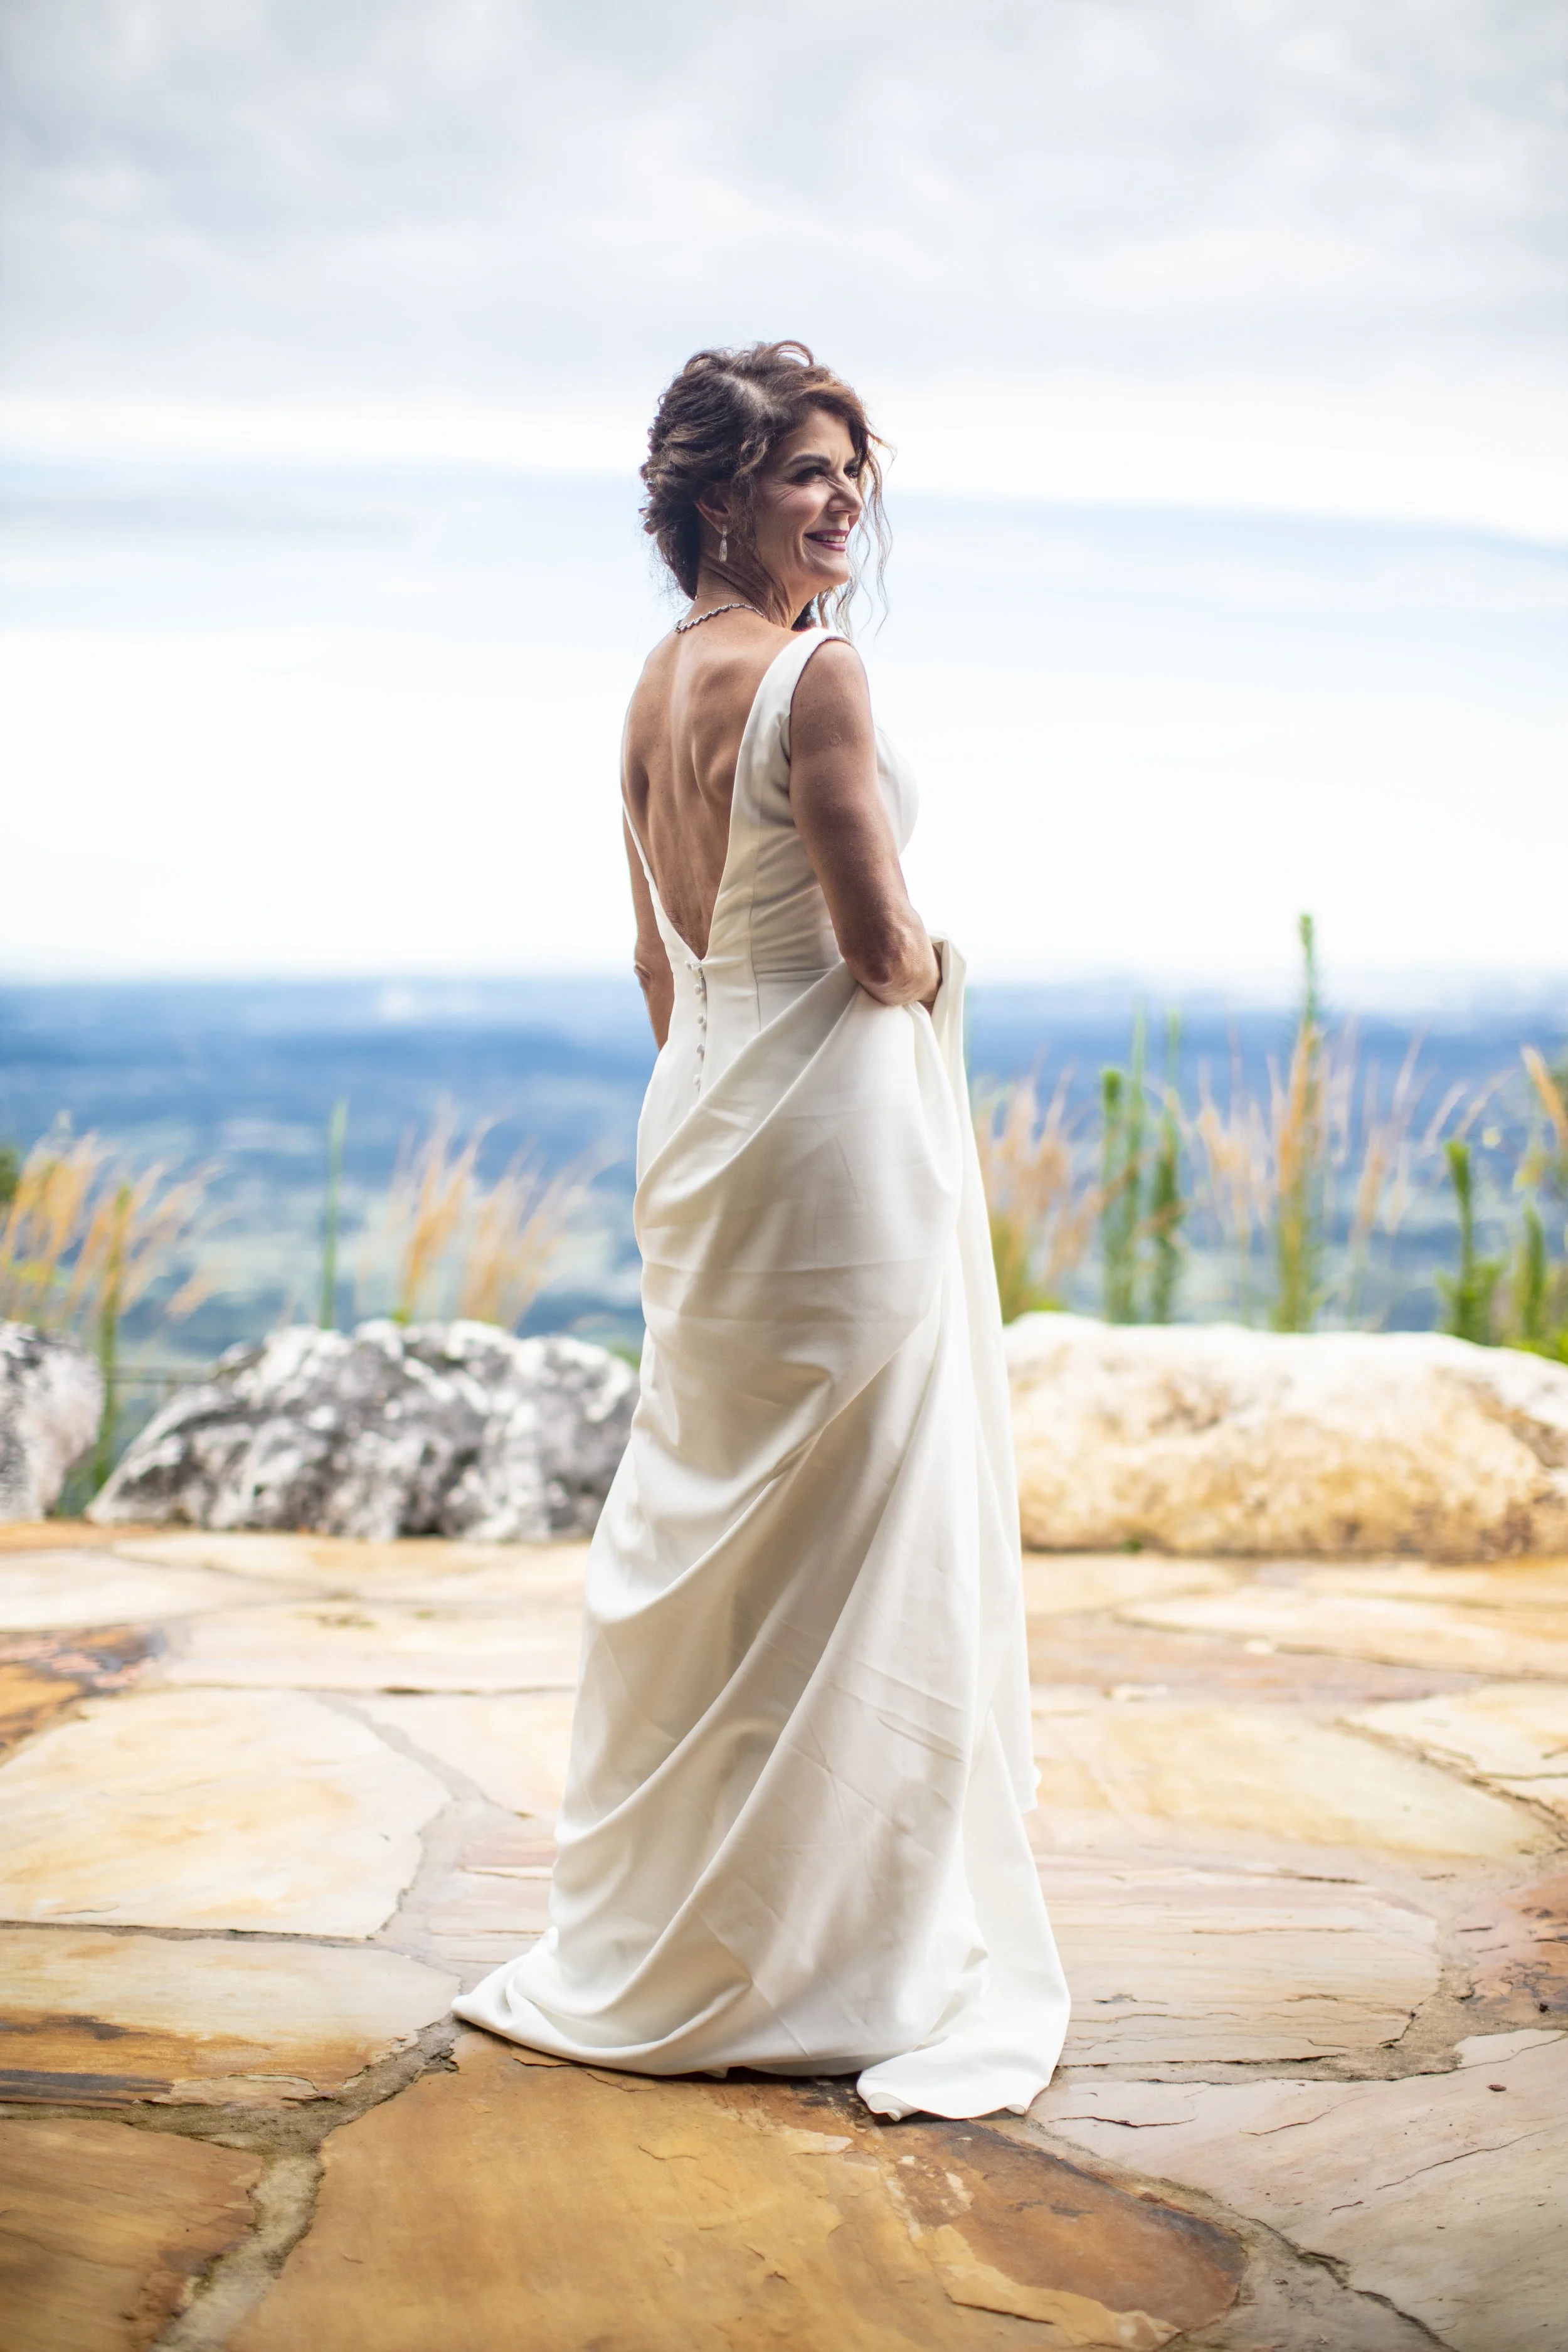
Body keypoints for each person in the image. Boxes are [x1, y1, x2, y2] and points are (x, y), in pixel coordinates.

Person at [455, 341, 1069, 2119]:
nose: (843, 501)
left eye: (852, 472)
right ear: (719, 494)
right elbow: (883, 951)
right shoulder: (822, 676)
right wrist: (946, 976)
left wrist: (727, 1102)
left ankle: (687, 1923)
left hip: (710, 1129)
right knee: (859, 1536)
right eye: (809, 472)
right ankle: (832, 1951)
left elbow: (662, 960)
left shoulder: (649, 688)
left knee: (718, 1536)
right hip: (838, 1152)